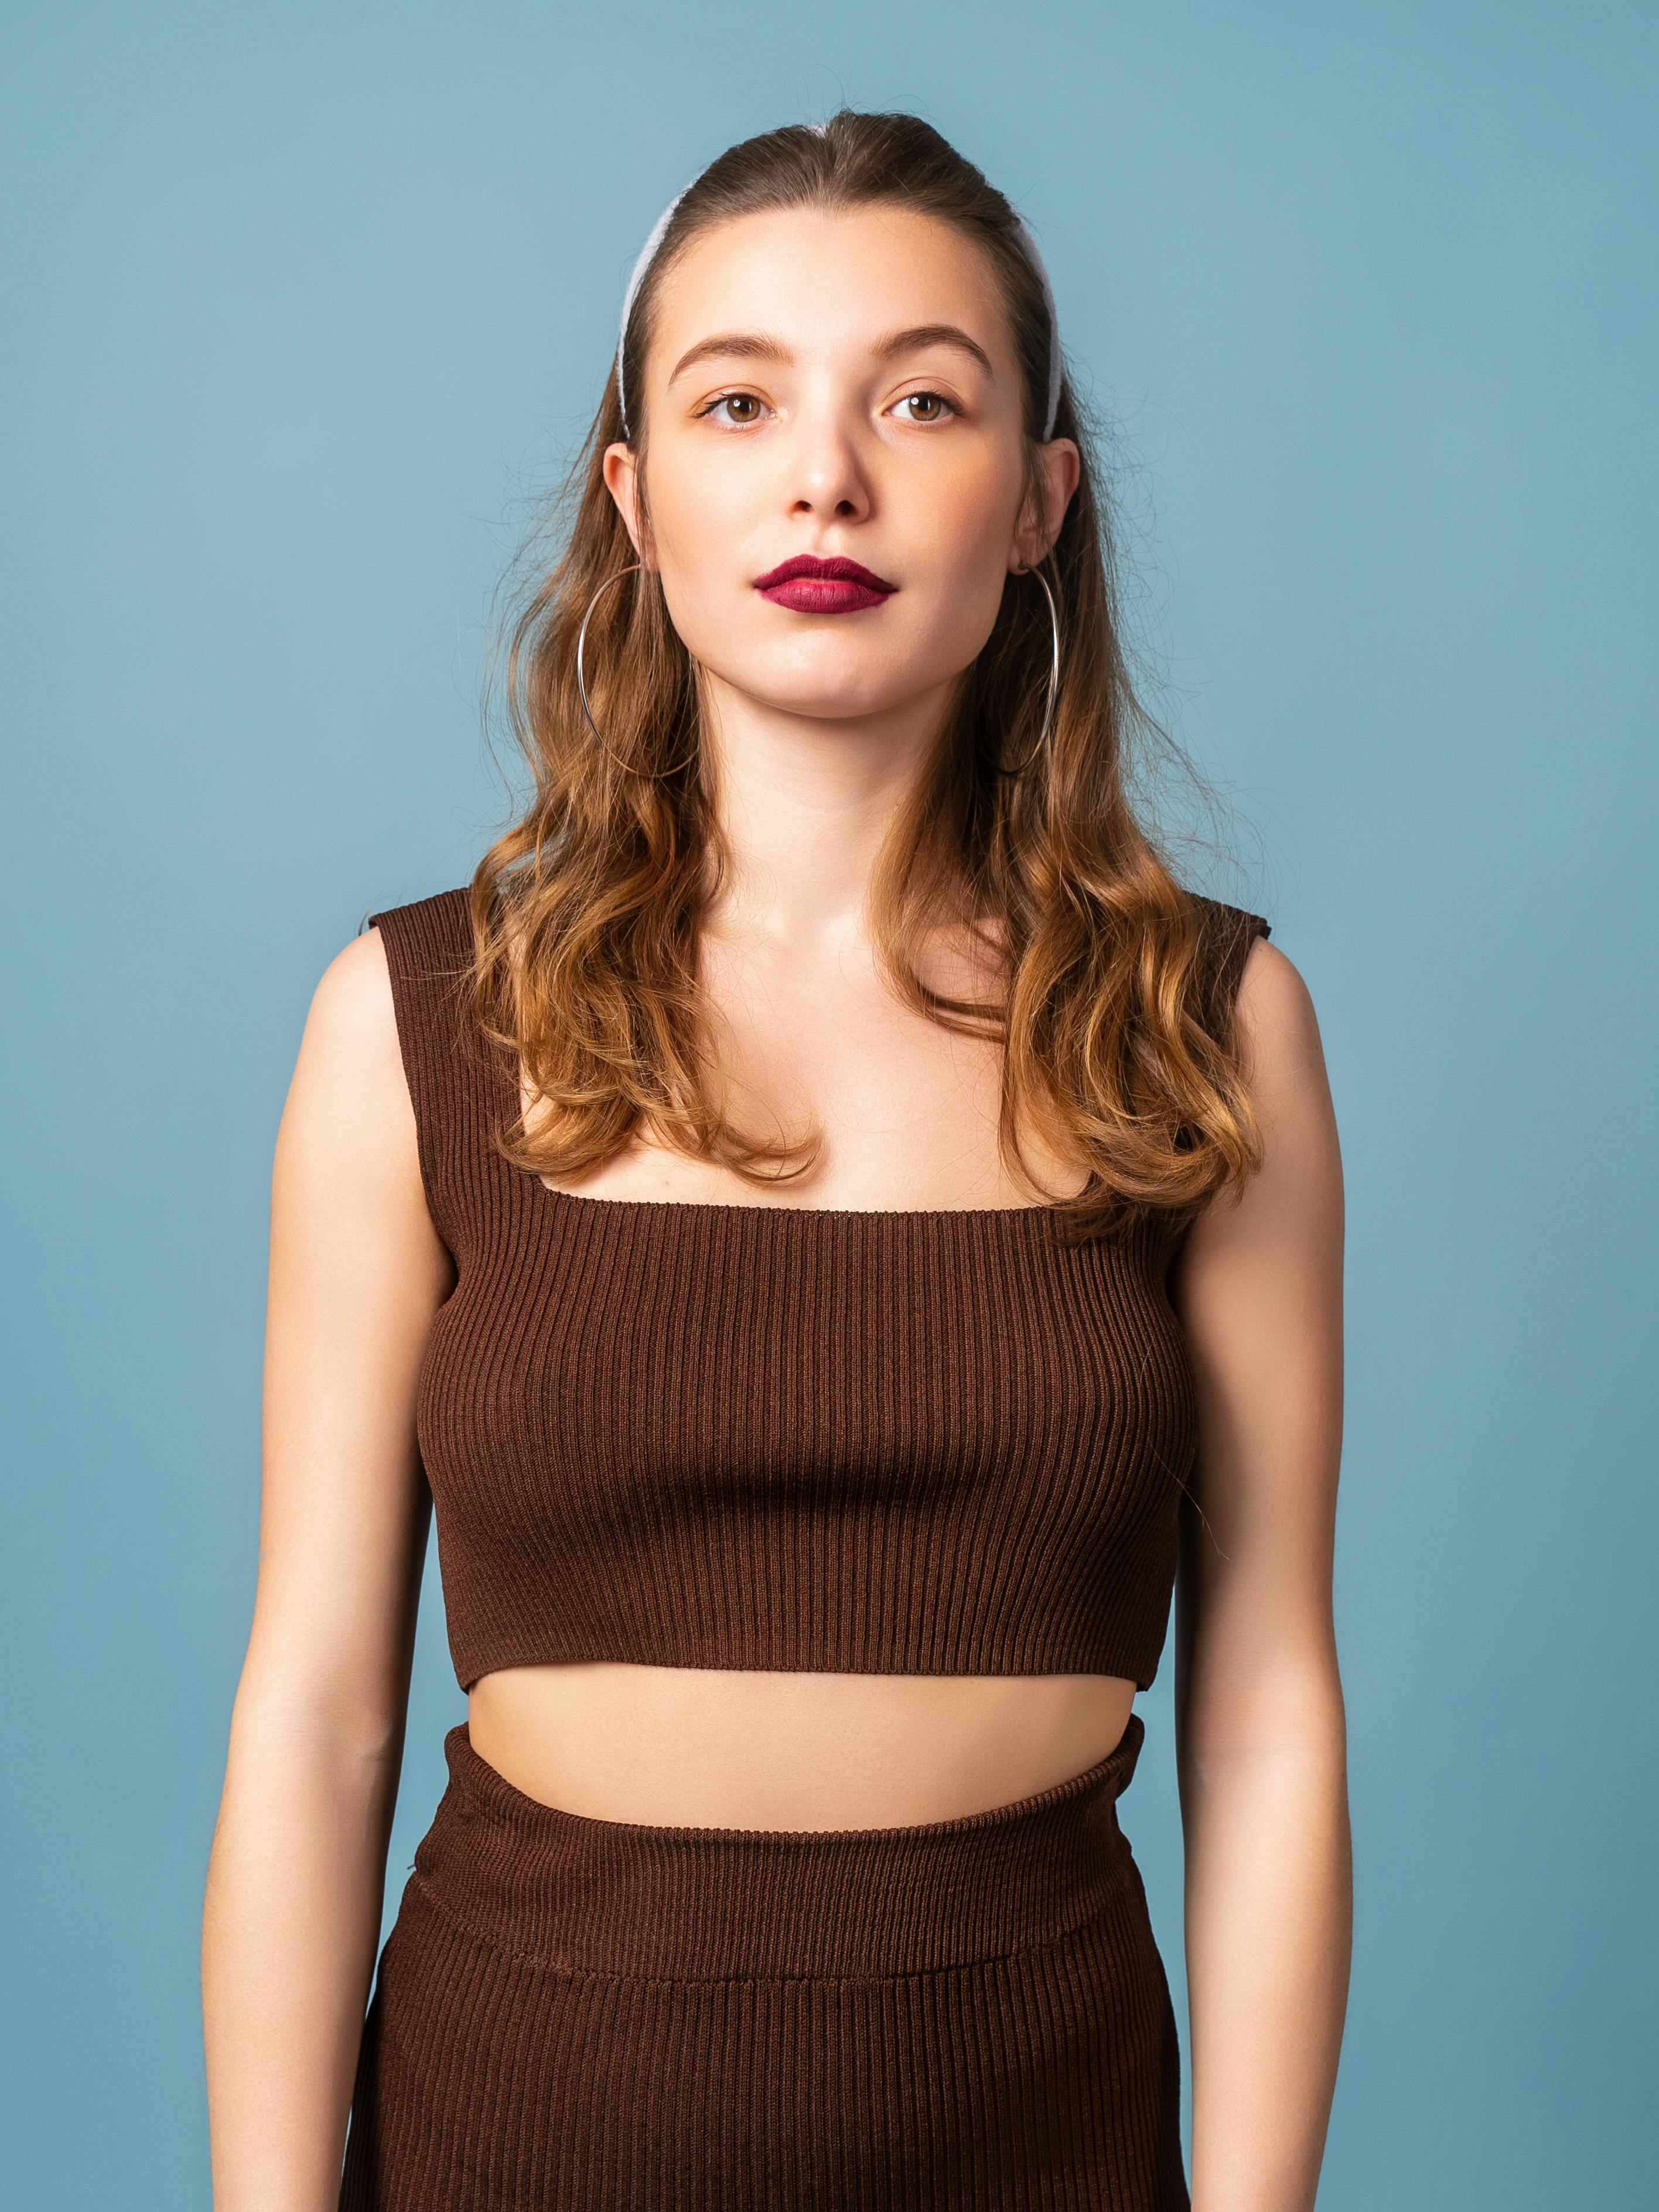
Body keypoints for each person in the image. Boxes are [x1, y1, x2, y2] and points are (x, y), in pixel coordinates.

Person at [201, 107, 1350, 2211]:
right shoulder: (418, 1021)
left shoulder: (1209, 1027)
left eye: (924, 397)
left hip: (1042, 2129)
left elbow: (1268, 1714)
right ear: (636, 504)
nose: (828, 472)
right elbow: (315, 1711)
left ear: (1040, 504)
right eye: (740, 402)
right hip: (509, 2125)